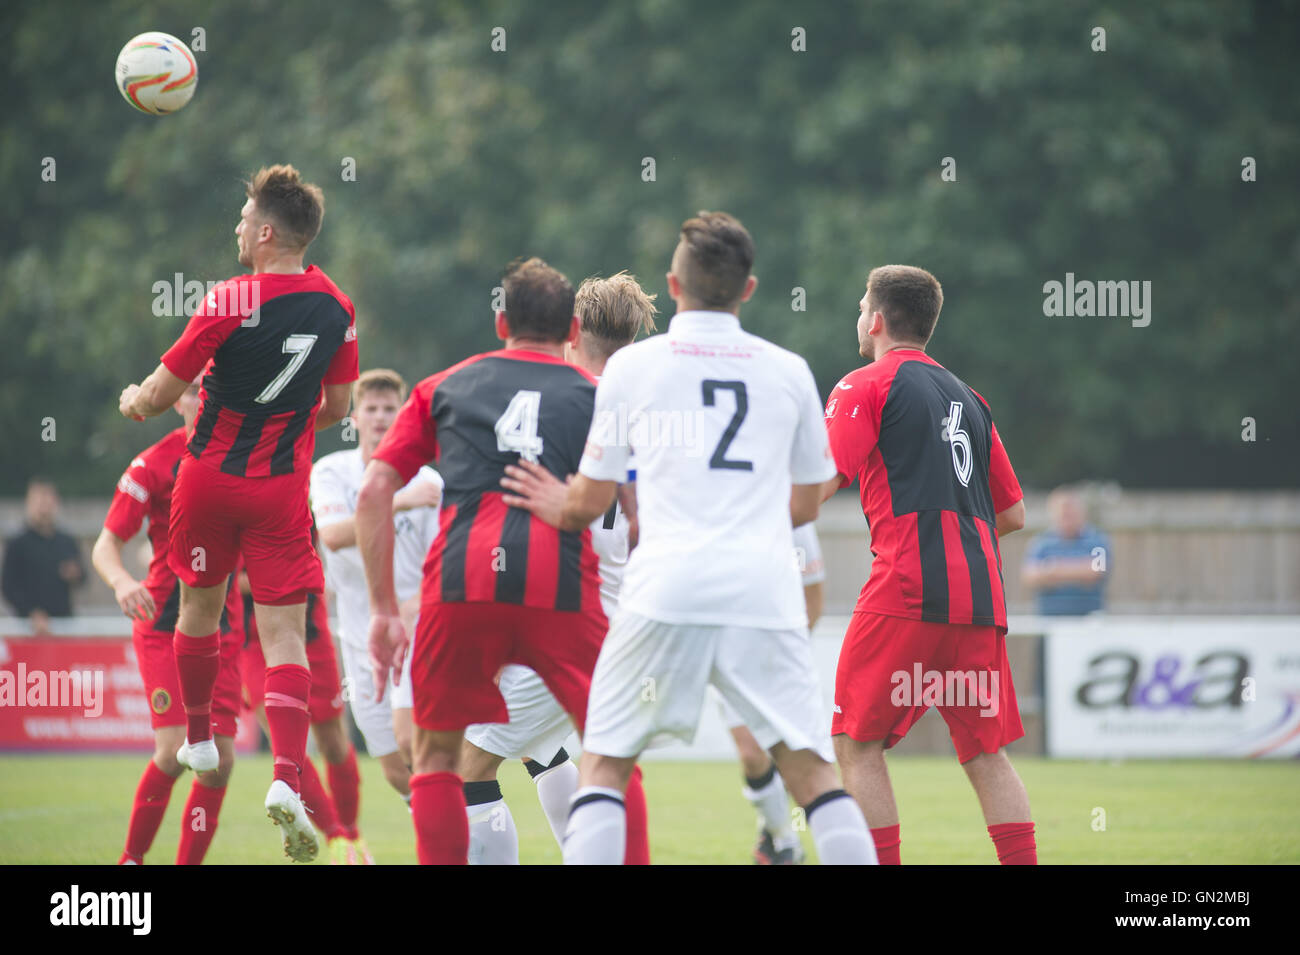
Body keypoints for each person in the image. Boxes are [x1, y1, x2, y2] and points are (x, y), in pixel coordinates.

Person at [504, 212, 876, 865]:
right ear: (749, 288)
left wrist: (553, 499)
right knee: (815, 776)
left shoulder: (633, 368)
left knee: (605, 767)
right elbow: (809, 499)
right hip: (761, 587)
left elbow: (591, 500)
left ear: (673, 285)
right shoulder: (788, 370)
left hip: (664, 588)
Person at [357, 257, 649, 865]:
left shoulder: (473, 387)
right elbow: (645, 518)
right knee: (557, 751)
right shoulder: (631, 411)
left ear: (500, 321)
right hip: (599, 609)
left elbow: (379, 488)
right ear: (567, 326)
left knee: (460, 765)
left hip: (554, 596)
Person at [117, 164, 357, 863]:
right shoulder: (338, 305)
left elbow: (162, 395)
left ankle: (196, 734)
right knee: (284, 638)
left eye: (244, 219)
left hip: (209, 480)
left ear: (268, 231)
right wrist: (286, 415)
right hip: (283, 488)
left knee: (199, 616)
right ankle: (286, 776)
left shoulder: (229, 297)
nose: (237, 228)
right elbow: (339, 408)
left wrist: (134, 398)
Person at [820, 264, 1036, 865]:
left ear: (878, 320)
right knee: (986, 755)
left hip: (905, 591)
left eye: (862, 305)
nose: (858, 316)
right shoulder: (971, 398)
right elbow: (1013, 512)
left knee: (856, 744)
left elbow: (817, 481)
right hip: (979, 601)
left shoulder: (864, 384)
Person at [461, 271, 656, 864]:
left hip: (569, 614)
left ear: (573, 334)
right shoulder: (651, 413)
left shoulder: (562, 408)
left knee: (463, 768)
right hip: (629, 613)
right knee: (551, 750)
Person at [92, 378, 244, 865]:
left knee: (217, 764)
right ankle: (131, 860)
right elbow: (106, 545)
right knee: (175, 748)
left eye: (212, 386)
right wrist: (121, 583)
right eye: (194, 387)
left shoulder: (248, 455)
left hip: (224, 626)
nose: (203, 395)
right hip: (163, 622)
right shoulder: (152, 464)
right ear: (176, 397)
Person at [311, 369, 441, 824]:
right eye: (372, 408)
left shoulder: (430, 481)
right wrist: (398, 499)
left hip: (414, 627)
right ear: (355, 415)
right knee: (390, 764)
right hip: (357, 632)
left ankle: (459, 833)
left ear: (404, 414)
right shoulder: (331, 471)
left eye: (391, 409)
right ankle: (446, 823)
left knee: (411, 741)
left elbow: (443, 559)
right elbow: (332, 535)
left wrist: (419, 600)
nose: (382, 417)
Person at [237, 536, 366, 865]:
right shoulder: (225, 499)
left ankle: (352, 834)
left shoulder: (297, 491)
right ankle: (336, 836)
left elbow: (317, 554)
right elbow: (215, 576)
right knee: (284, 743)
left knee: (334, 742)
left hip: (309, 631)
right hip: (254, 640)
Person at [713, 521, 825, 865]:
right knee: (751, 753)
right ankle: (783, 838)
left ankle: (780, 839)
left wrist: (789, 651)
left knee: (798, 758)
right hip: (728, 655)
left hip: (778, 659)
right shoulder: (712, 509)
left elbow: (813, 593)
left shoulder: (791, 514)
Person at [2, 479, 86, 633]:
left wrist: (75, 573)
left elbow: (83, 578)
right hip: (26, 627)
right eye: (39, 501)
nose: (44, 506)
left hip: (63, 623)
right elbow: (9, 586)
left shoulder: (66, 541)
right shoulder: (17, 543)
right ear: (29, 503)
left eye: (48, 500)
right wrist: (30, 613)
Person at [1021, 487, 1110, 615]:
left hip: (1089, 620)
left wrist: (1051, 568)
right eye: (1063, 514)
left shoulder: (1097, 541)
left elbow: (1096, 572)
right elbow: (1030, 576)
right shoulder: (1040, 542)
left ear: (1082, 513)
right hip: (1049, 619)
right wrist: (1081, 569)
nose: (1067, 517)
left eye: (1071, 513)